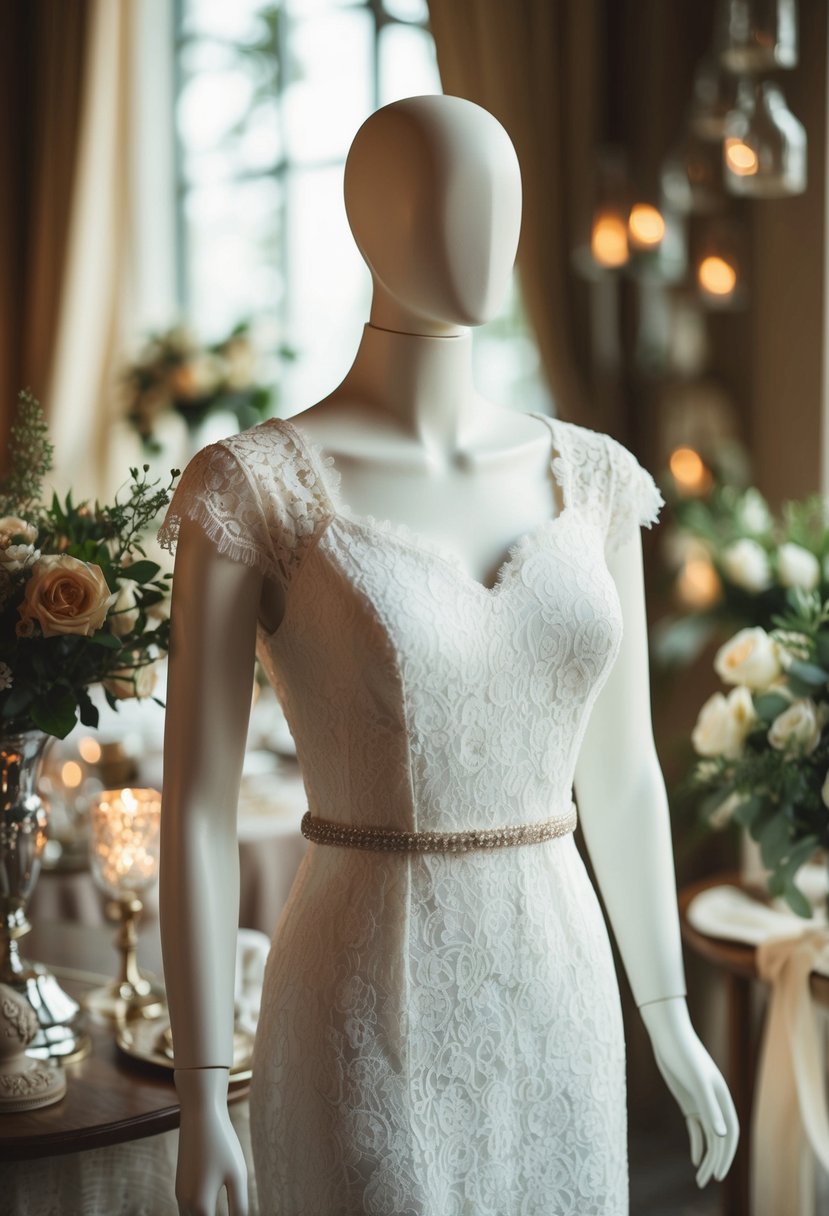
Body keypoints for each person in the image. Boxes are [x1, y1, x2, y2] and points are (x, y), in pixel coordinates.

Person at [158, 93, 739, 1216]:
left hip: (560, 988)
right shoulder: (254, 491)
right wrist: (199, 1095)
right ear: (371, 219)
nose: (487, 234)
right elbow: (194, 806)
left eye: (504, 202)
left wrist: (665, 1009)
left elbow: (618, 775)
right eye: (451, 201)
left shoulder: (598, 478)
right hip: (366, 996)